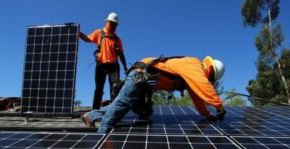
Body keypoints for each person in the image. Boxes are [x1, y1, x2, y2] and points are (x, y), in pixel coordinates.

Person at [81, 56, 226, 133]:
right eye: (211, 76)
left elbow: (197, 96)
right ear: (209, 69)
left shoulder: (193, 74)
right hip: (142, 73)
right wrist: (219, 106)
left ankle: (91, 115)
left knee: (134, 106)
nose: (209, 79)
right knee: (124, 102)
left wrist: (207, 115)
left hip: (146, 79)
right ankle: (102, 136)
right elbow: (203, 86)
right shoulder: (195, 65)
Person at [79, 12, 128, 109]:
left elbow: (121, 54)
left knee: (115, 89)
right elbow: (86, 39)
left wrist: (125, 67)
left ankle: (114, 113)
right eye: (112, 23)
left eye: (115, 24)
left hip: (114, 67)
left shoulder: (117, 39)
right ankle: (95, 112)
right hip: (101, 65)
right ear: (107, 22)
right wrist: (77, 32)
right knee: (99, 89)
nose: (113, 26)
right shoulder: (99, 33)